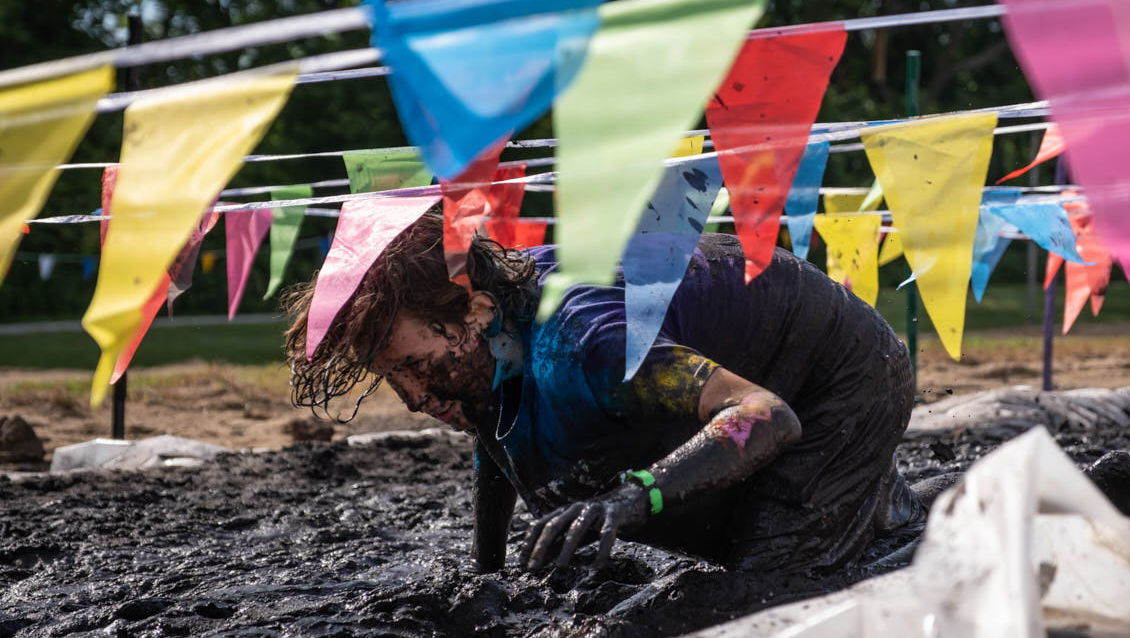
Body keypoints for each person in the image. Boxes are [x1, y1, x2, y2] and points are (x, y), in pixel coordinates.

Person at [283, 210, 925, 575]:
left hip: (841, 374)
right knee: (714, 519)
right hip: (750, 352)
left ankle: (879, 509)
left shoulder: (588, 342)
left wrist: (634, 496)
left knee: (761, 583)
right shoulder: (493, 342)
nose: (413, 398)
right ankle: (873, 504)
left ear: (475, 311)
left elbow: (765, 415)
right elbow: (497, 434)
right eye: (391, 377)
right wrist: (488, 575)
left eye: (414, 366)